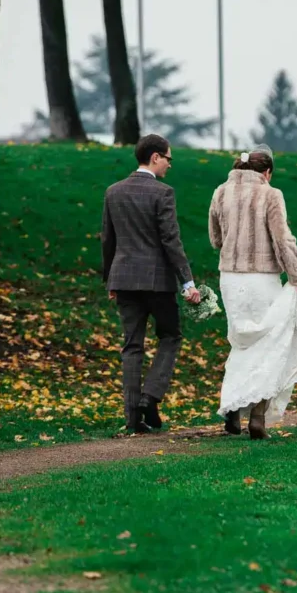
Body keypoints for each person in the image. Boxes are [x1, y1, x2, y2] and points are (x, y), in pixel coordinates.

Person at [208, 144, 297, 439]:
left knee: (241, 341)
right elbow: (283, 240)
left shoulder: (220, 192)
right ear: (267, 172)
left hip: (229, 278)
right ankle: (257, 418)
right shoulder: (270, 194)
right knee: (269, 344)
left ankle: (232, 409)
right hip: (262, 278)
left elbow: (215, 239)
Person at [102, 134, 201, 434]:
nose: (170, 164)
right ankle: (151, 396)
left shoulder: (113, 192)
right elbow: (171, 240)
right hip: (157, 281)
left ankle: (133, 419)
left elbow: (108, 239)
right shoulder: (163, 193)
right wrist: (188, 282)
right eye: (168, 158)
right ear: (155, 157)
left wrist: (110, 279)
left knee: (131, 346)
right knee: (170, 336)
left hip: (123, 279)